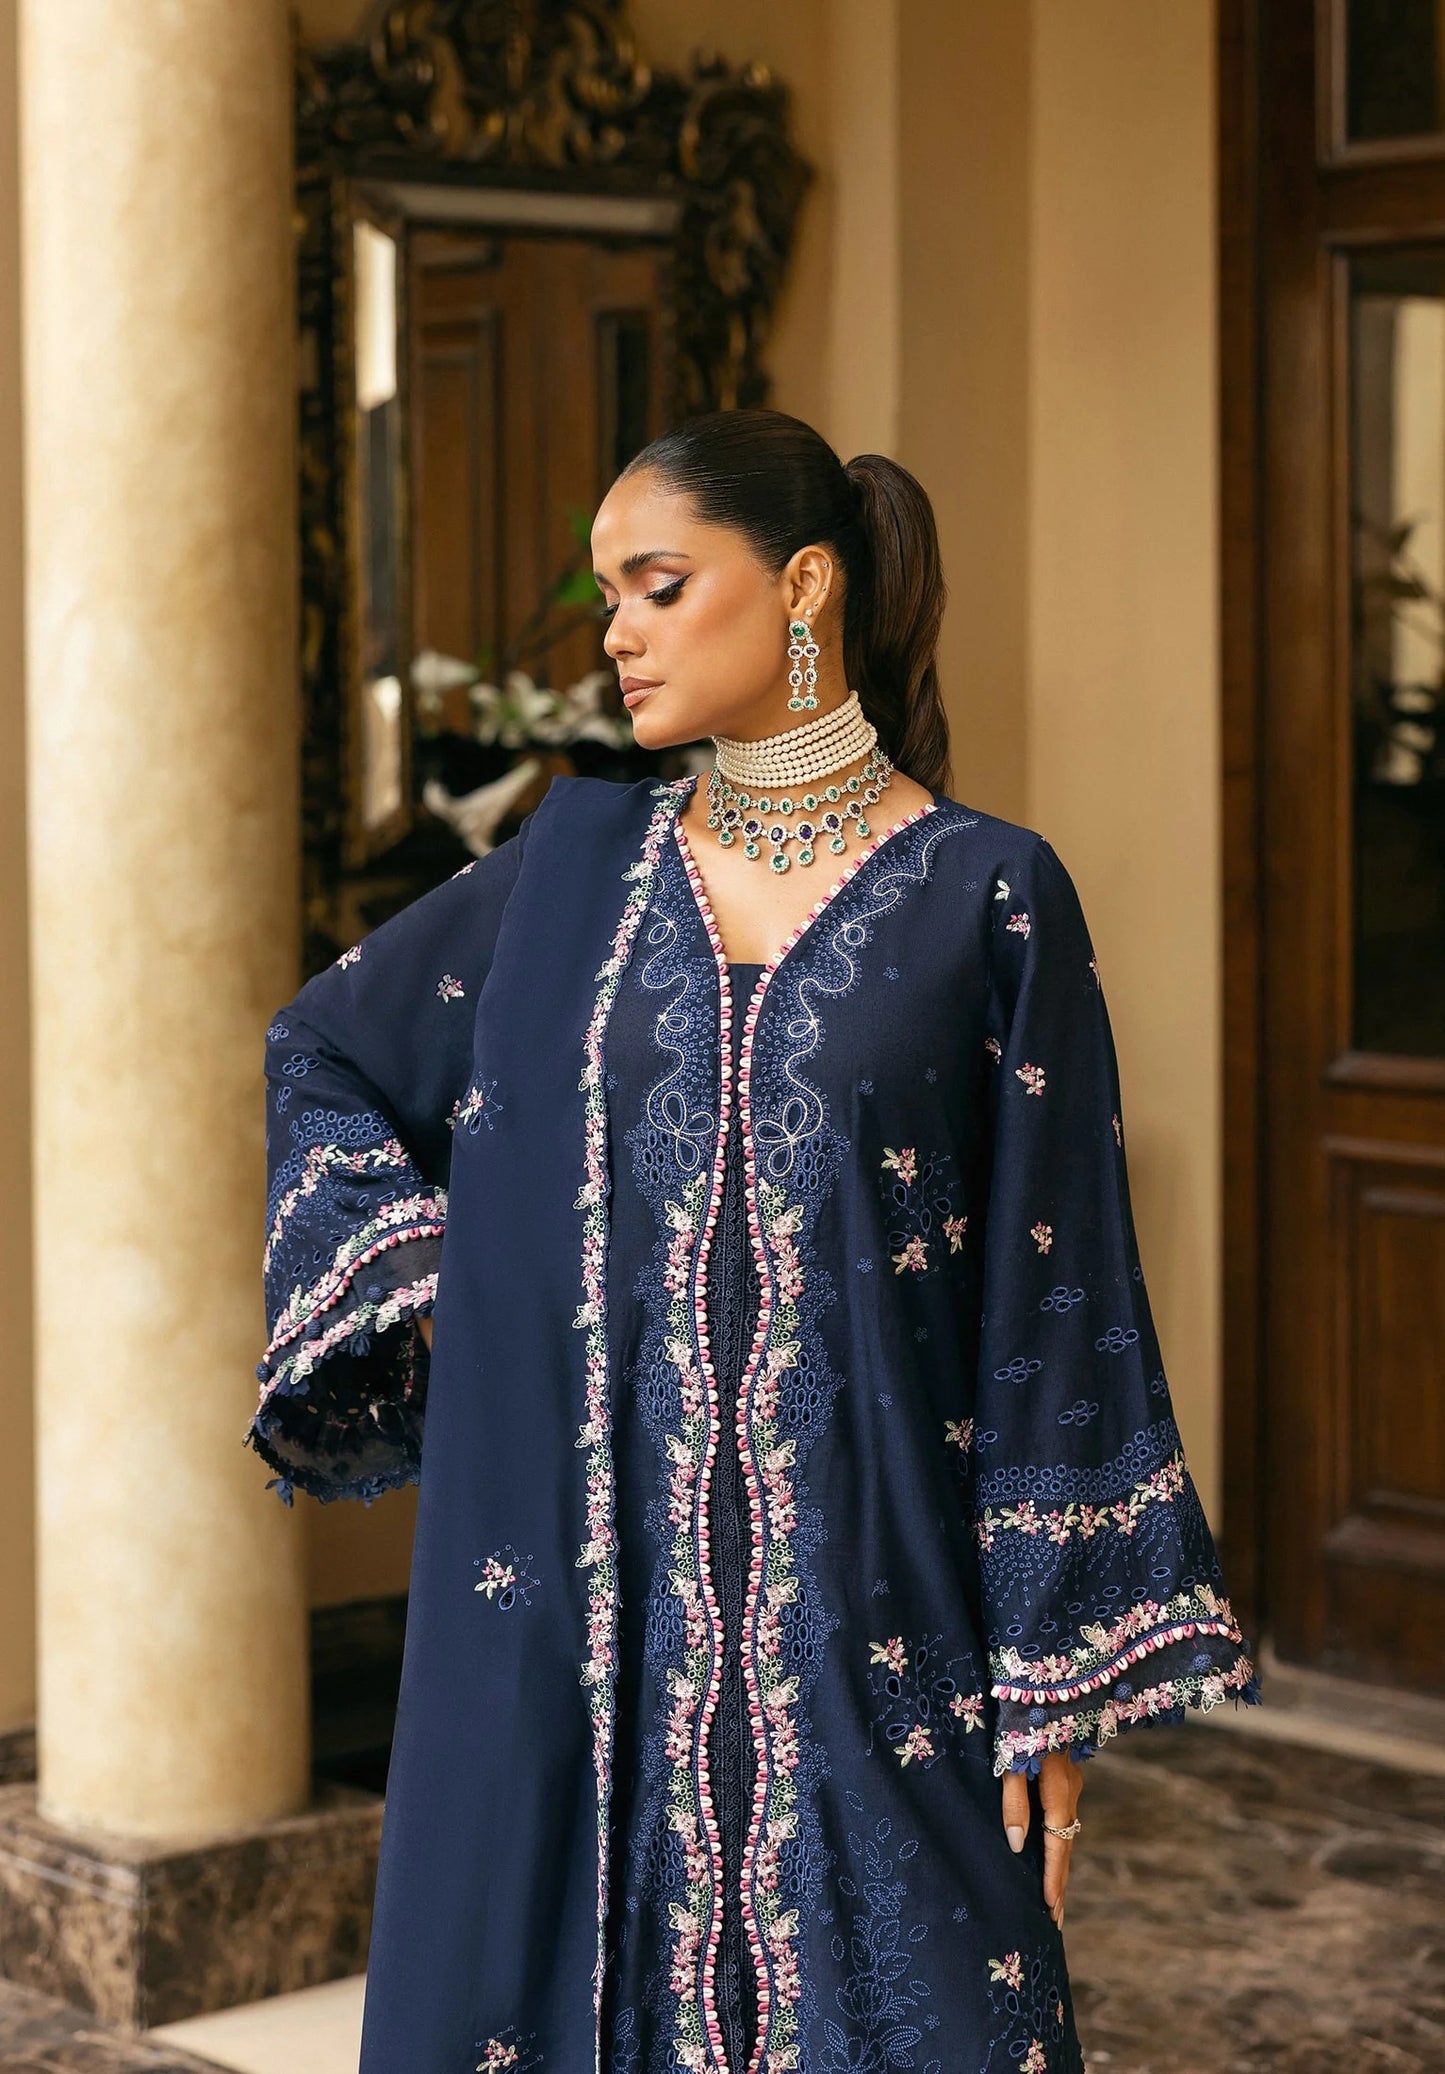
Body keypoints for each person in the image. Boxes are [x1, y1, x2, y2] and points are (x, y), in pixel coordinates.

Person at [250, 408, 1258, 2074]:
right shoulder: (563, 883)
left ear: (802, 587)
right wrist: (430, 1288)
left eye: (656, 583)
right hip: (585, 1629)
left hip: (884, 1622)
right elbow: (326, 1050)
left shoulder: (986, 895)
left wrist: (1045, 1681)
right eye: (607, 598)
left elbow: (1053, 1299)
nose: (619, 632)